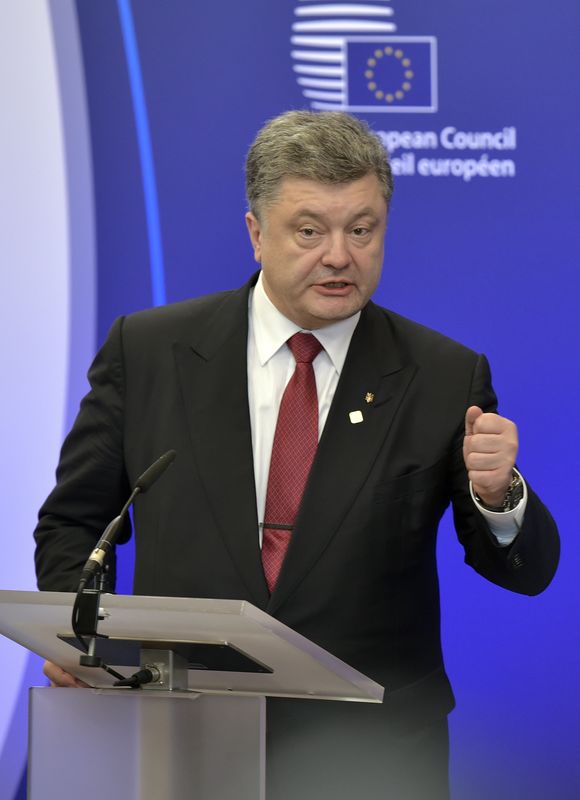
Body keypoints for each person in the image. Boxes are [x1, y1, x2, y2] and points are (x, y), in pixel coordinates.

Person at [35, 111, 559, 799]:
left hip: (373, 756)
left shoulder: (442, 376)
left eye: (362, 229)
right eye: (309, 230)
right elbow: (73, 525)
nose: (339, 255)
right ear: (257, 233)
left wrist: (500, 498)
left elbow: (526, 572)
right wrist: (85, 642)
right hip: (183, 737)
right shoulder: (151, 351)